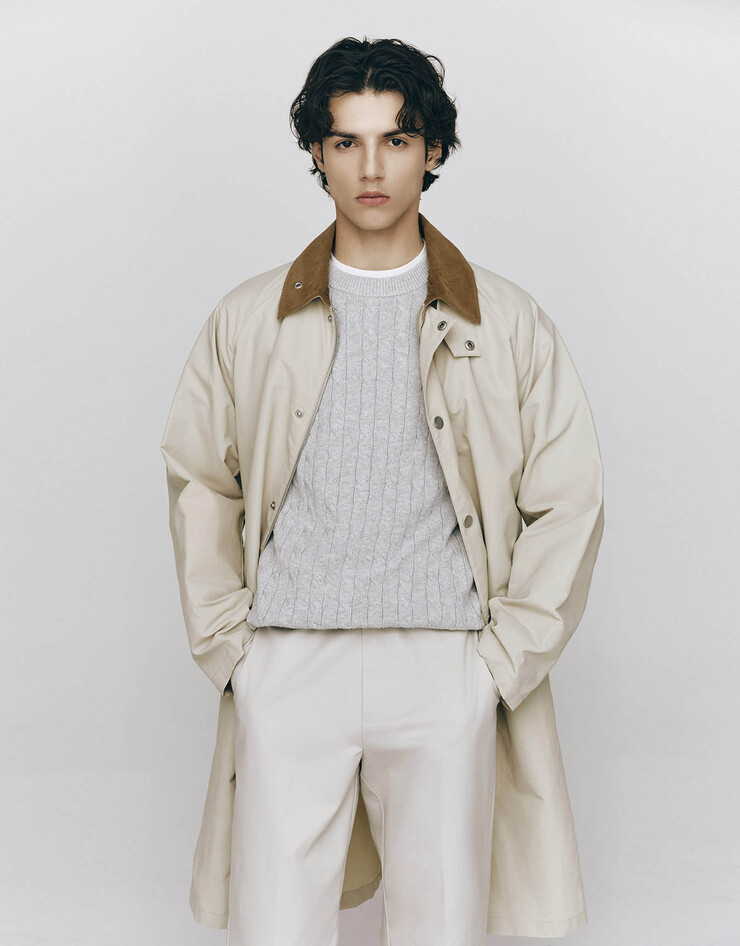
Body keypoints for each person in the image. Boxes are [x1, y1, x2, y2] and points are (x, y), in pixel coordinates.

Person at [160, 36, 605, 946]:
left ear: (432, 151)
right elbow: (200, 478)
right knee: (274, 928)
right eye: (347, 141)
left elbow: (570, 498)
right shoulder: (249, 319)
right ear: (317, 153)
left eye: (396, 141)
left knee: (441, 925)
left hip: (445, 663)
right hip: (288, 660)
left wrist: (500, 663)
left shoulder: (507, 322)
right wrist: (233, 648)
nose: (371, 168)